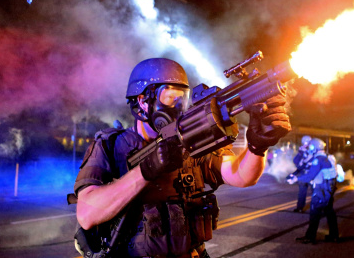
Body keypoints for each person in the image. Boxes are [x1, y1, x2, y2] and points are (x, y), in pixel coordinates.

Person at [72, 58, 292, 257]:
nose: (177, 107)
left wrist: (257, 146)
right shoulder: (111, 145)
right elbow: (87, 214)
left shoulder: (190, 141)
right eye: (169, 98)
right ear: (142, 101)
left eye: (182, 99)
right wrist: (147, 170)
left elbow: (241, 176)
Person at [295, 138, 339, 244]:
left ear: (315, 147)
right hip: (327, 189)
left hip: (321, 189)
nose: (309, 148)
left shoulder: (318, 159)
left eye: (310, 146)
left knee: (314, 213)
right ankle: (334, 235)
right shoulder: (325, 157)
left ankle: (310, 237)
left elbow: (311, 175)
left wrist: (296, 179)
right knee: (329, 212)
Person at [291, 135, 313, 213]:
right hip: (303, 173)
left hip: (311, 174)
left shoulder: (313, 150)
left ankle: (318, 208)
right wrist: (300, 153)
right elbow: (296, 161)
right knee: (302, 192)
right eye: (304, 143)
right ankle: (300, 207)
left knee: (315, 192)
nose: (305, 144)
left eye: (307, 143)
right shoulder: (302, 150)